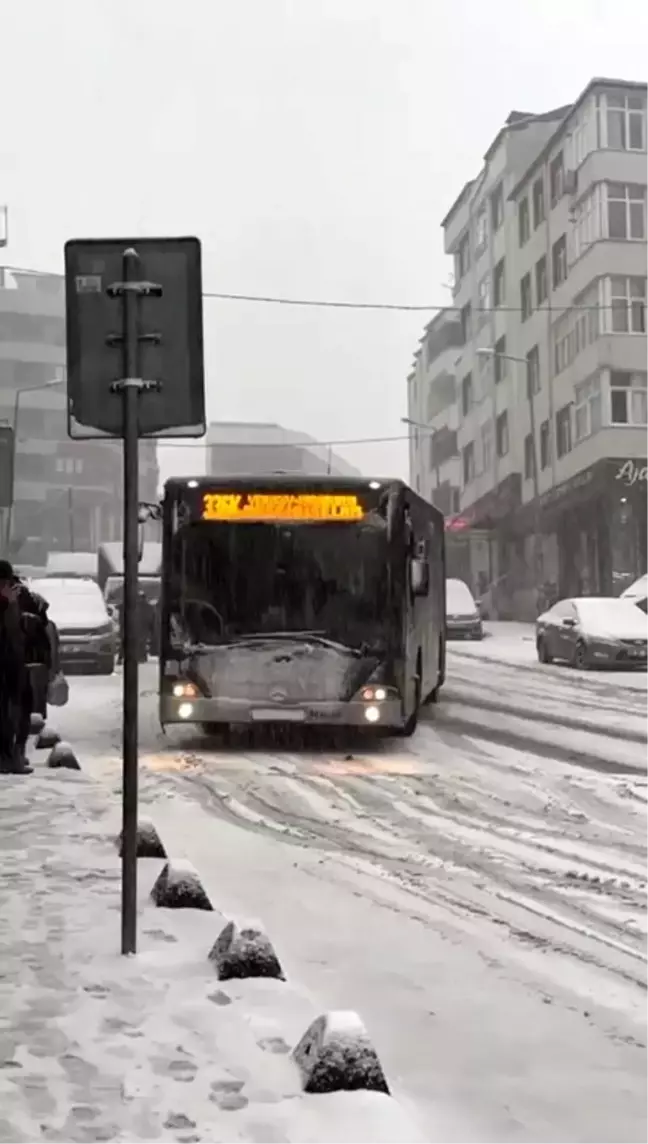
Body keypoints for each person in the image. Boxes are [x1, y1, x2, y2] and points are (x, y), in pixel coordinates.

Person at [0, 560, 51, 774]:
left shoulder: (20, 599)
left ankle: (14, 755)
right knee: (6, 712)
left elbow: (30, 627)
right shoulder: (8, 603)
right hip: (7, 663)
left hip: (15, 663)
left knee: (19, 709)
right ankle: (8, 758)